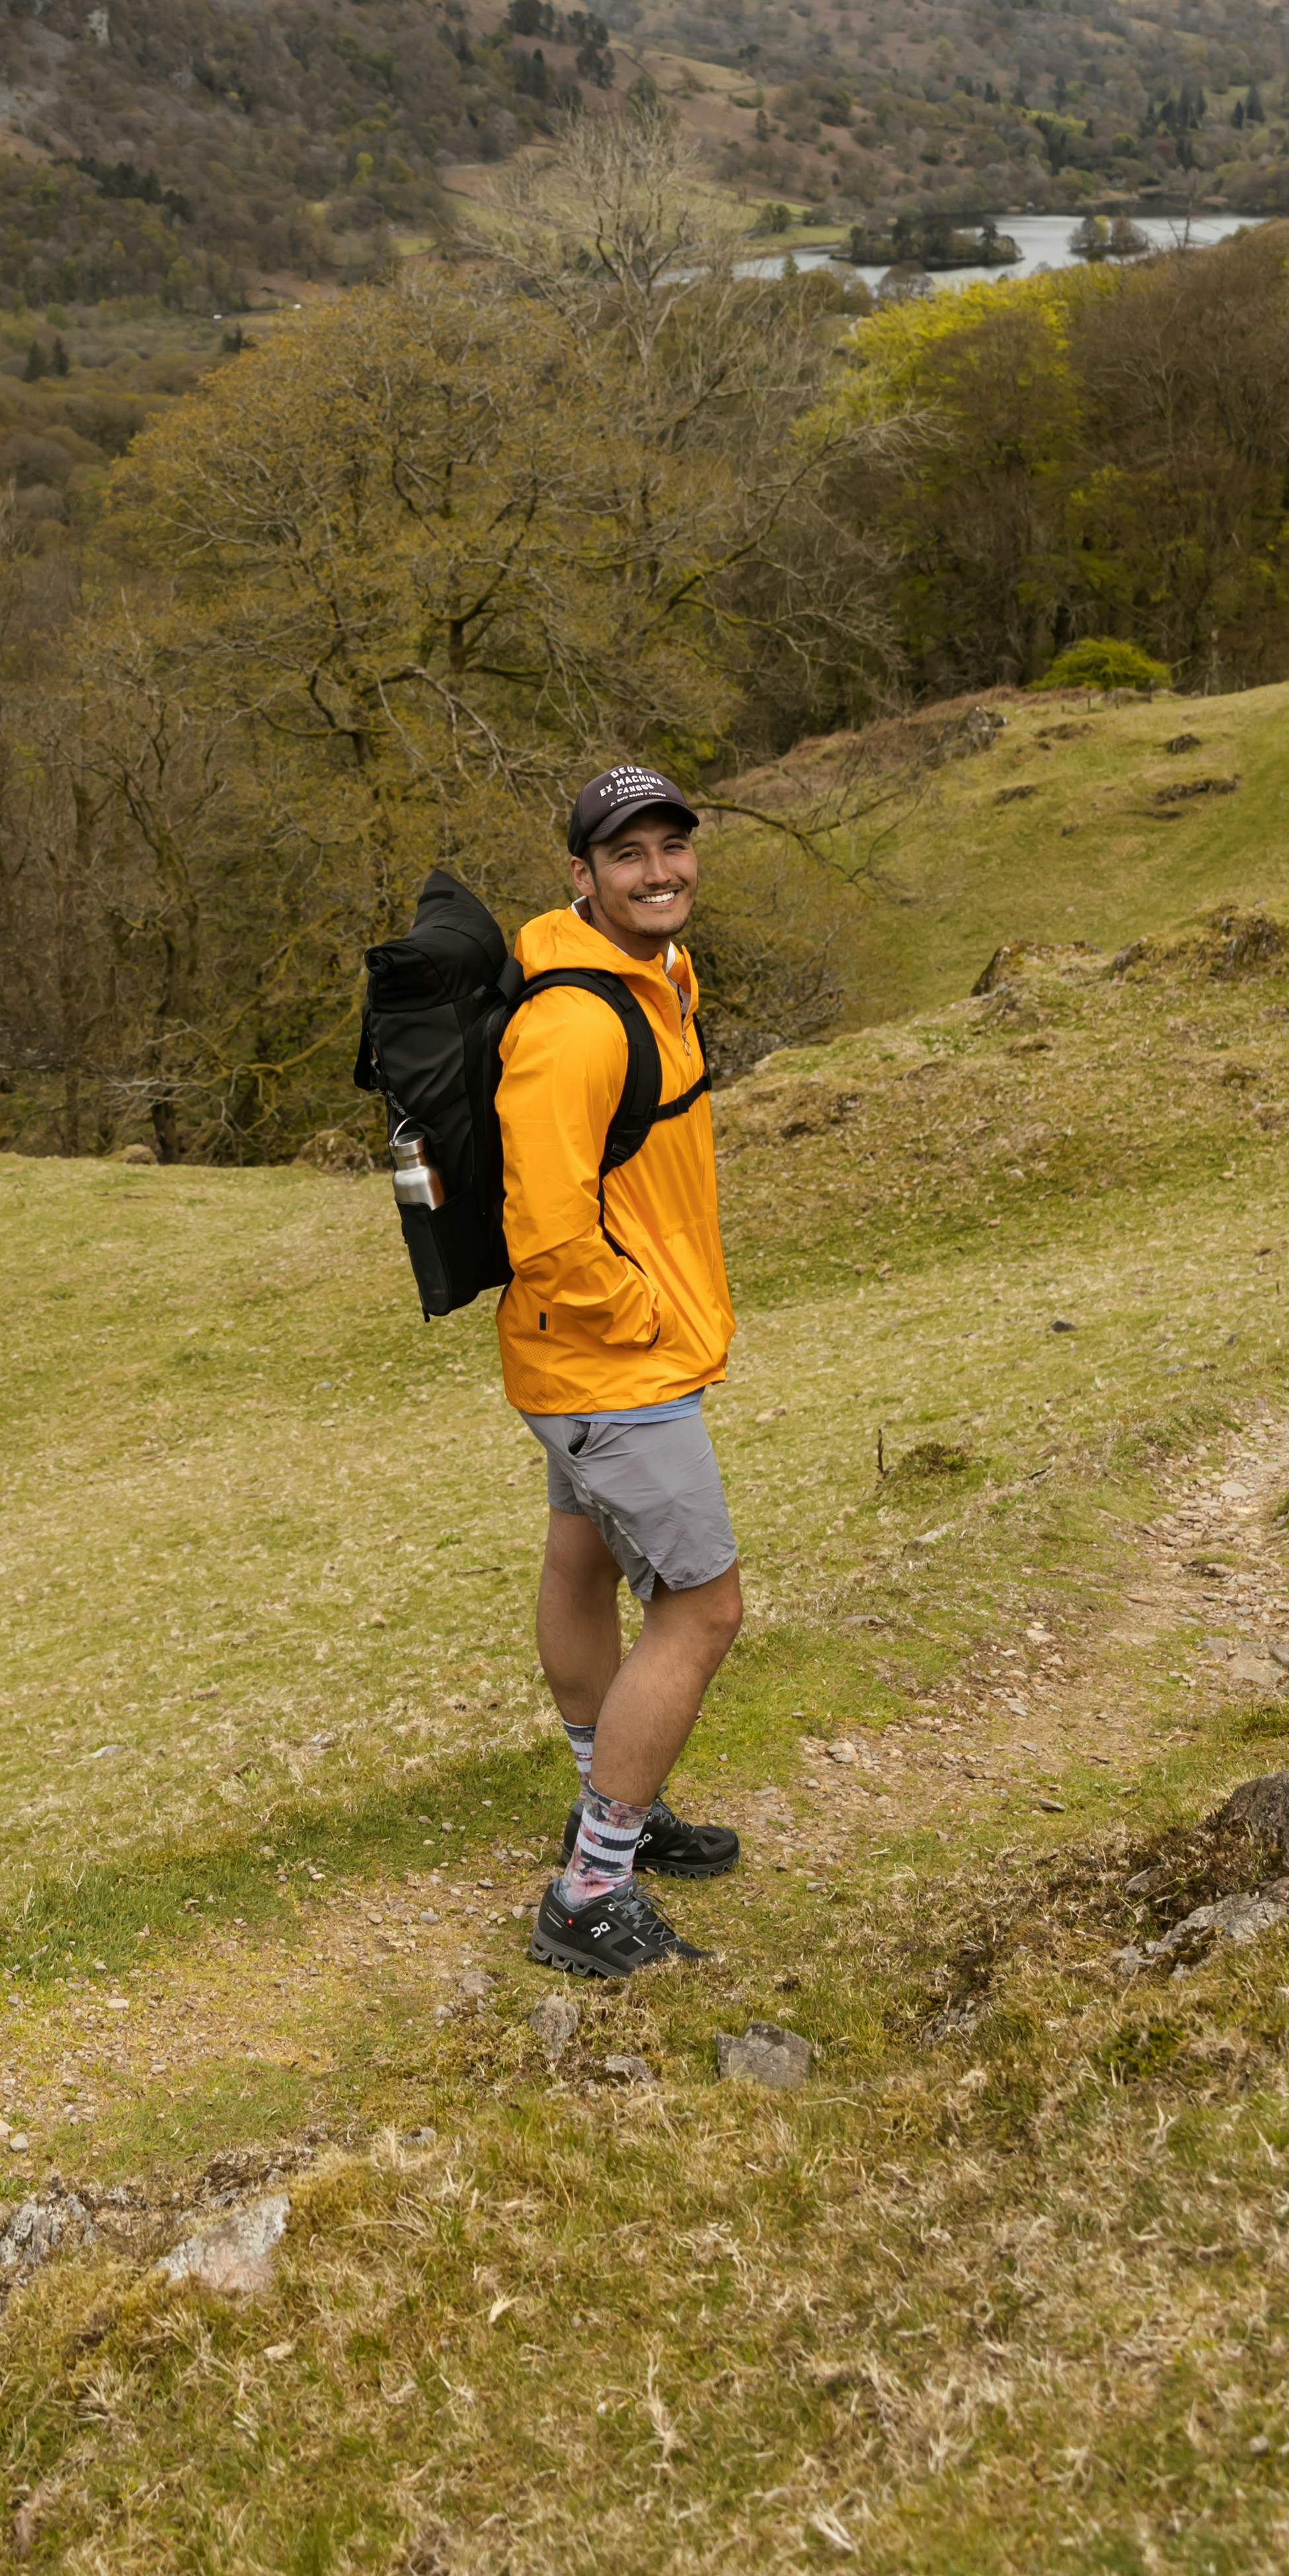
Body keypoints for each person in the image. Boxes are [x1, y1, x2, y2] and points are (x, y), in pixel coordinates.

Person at [496, 763, 745, 1977]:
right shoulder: (575, 1023)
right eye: (628, 855)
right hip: (612, 1370)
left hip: (587, 1370)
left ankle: (613, 1814)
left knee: (582, 1562)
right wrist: (643, 1315)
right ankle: (592, 1889)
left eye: (672, 847)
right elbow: (546, 1229)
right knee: (703, 1608)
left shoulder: (657, 975)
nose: (659, 872)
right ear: (581, 877)